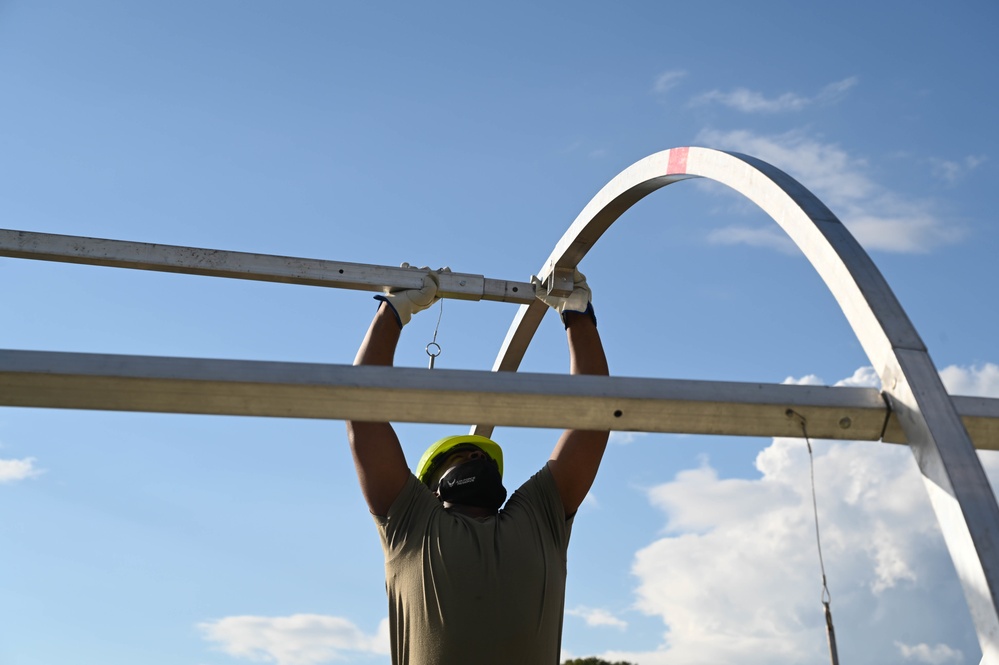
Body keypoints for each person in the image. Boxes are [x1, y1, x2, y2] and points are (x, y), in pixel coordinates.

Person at [346, 264, 609, 665]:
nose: (477, 457)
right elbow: (361, 410)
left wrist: (578, 315)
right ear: (432, 488)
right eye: (462, 455)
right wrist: (392, 313)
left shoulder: (538, 519)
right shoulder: (413, 524)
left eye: (484, 456)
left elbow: (595, 418)